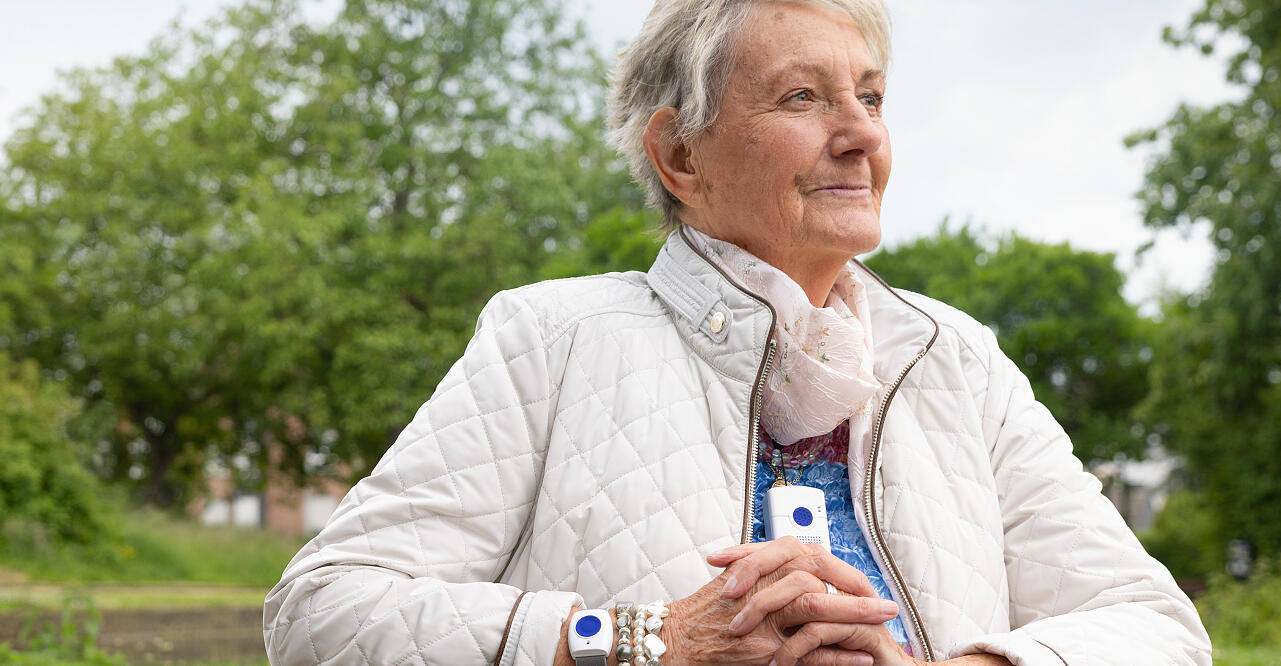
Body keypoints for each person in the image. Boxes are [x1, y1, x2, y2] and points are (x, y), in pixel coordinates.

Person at [262, 0, 1212, 663]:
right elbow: (321, 612)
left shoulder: (958, 361)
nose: (862, 135)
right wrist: (647, 643)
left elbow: (1155, 628)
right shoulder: (550, 339)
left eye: (871, 98)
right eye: (804, 98)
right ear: (680, 154)